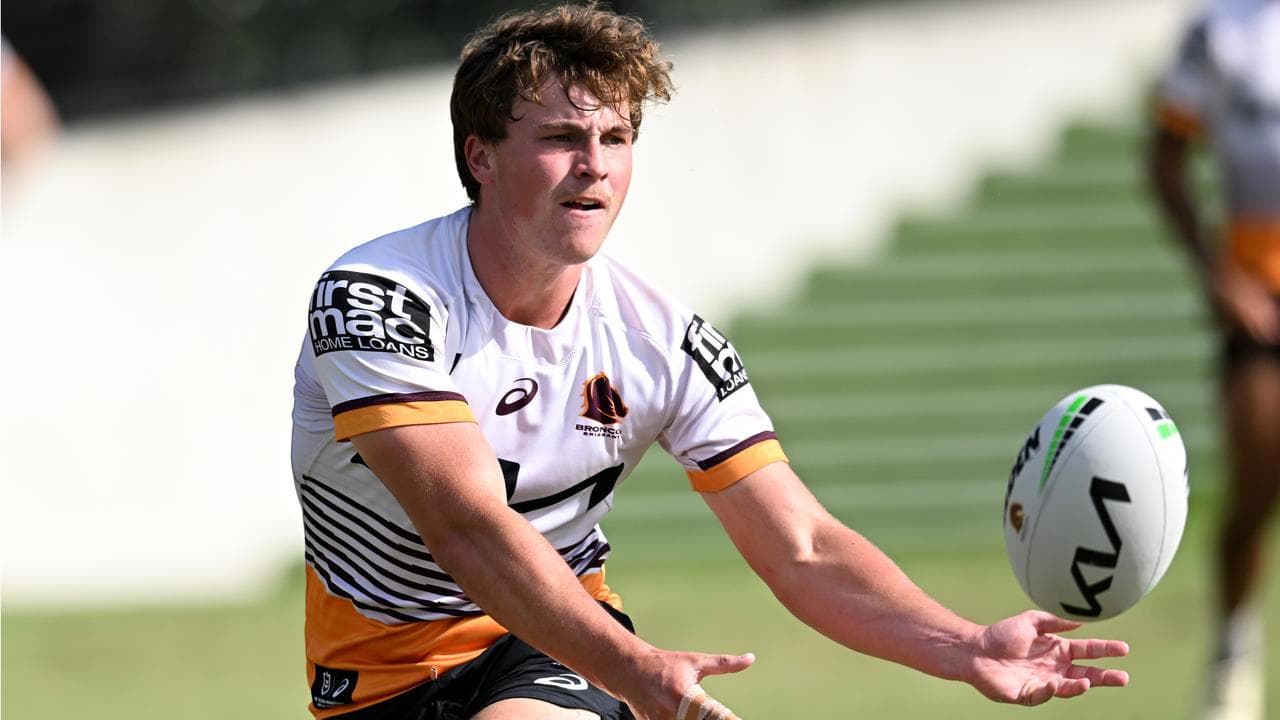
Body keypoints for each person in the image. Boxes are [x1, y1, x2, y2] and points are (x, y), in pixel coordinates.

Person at [291, 5, 1131, 719]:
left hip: (557, 647)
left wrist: (962, 644)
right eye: (561, 137)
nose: (595, 166)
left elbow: (802, 547)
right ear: (480, 156)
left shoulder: (663, 342)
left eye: (616, 137)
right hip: (372, 677)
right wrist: (638, 672)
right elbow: (467, 527)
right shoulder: (377, 300)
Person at [1147, 2, 1280, 719]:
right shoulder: (1221, 30)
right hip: (1263, 295)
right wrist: (1217, 273)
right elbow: (1164, 160)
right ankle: (1234, 649)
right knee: (1255, 488)